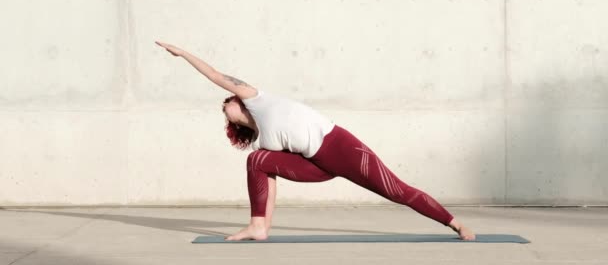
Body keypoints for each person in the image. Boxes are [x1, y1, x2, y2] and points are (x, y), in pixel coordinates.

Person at [155, 41, 476, 242]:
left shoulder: (256, 98)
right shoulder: (264, 141)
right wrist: (265, 217)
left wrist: (183, 54)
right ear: (232, 120)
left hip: (341, 147)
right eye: (226, 108)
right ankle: (258, 228)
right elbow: (270, 182)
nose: (228, 104)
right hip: (317, 164)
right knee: (256, 162)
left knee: (397, 191)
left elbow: (216, 75)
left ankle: (455, 223)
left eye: (229, 100)